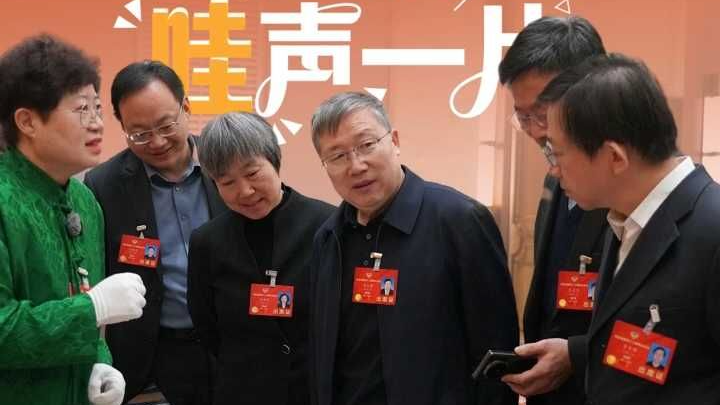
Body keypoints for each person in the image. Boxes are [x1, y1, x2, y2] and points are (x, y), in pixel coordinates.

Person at [507, 53, 720, 404]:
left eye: (557, 154)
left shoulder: (710, 231)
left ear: (615, 158)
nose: (553, 170)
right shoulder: (625, 219)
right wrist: (576, 353)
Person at [307, 91, 519, 405]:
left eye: (367, 144)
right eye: (337, 156)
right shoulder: (329, 238)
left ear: (394, 141)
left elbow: (495, 350)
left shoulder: (458, 220)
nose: (356, 165)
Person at [0, 34, 146, 405]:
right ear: (27, 121)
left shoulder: (85, 201)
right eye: (82, 110)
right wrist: (91, 310)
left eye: (97, 108)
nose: (97, 124)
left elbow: (88, 311)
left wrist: (99, 361)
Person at [84, 61, 227, 405]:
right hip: (150, 358)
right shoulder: (104, 186)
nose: (158, 142)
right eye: (140, 134)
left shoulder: (226, 162)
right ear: (121, 126)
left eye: (166, 125)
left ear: (186, 107)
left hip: (229, 346)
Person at [187, 112, 334, 405]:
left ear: (274, 160)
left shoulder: (326, 226)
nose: (245, 191)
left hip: (313, 390)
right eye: (227, 181)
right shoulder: (207, 242)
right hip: (242, 391)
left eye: (253, 173)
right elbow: (207, 325)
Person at [498, 16, 608, 405]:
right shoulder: (555, 178)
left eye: (542, 114)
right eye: (523, 116)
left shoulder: (631, 192)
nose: (535, 131)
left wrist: (576, 354)